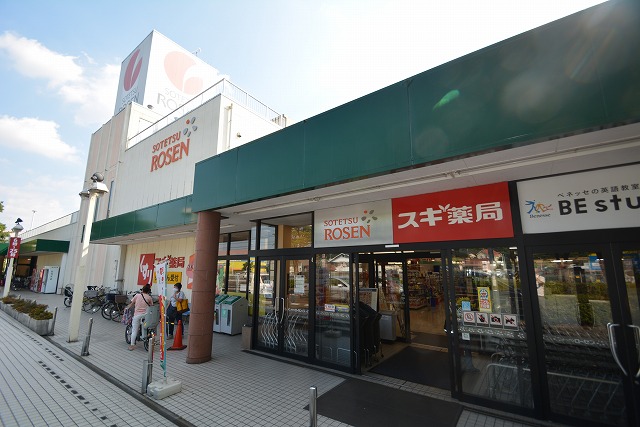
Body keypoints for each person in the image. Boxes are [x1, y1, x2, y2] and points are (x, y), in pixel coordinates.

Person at [127, 284, 153, 350]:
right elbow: (151, 306)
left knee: (134, 330)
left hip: (137, 315)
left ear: (142, 290)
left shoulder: (137, 295)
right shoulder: (149, 297)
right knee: (146, 326)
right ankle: (146, 337)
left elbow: (131, 303)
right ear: (148, 291)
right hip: (146, 315)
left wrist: (127, 308)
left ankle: (132, 345)